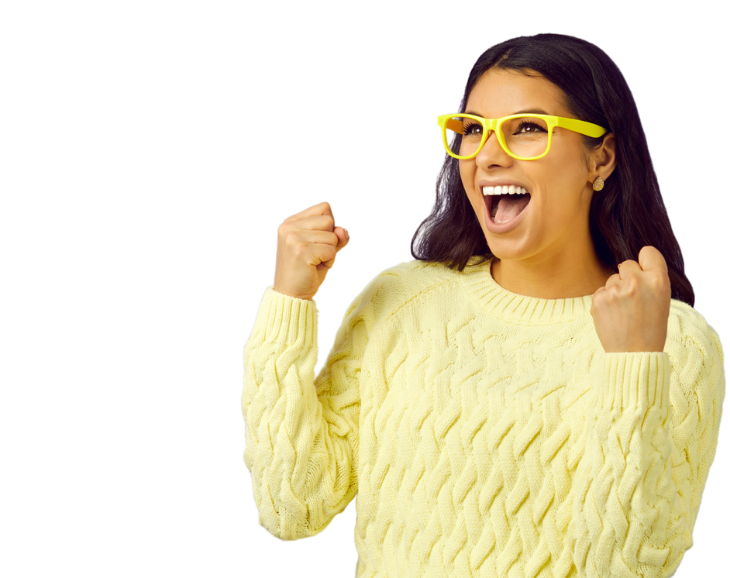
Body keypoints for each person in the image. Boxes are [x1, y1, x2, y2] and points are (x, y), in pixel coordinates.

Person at [241, 33, 725, 578]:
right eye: (472, 130)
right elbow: (291, 507)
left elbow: (625, 568)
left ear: (601, 158)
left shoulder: (672, 342)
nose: (489, 156)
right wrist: (289, 302)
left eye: (527, 129)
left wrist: (633, 367)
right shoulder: (399, 301)